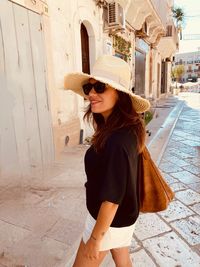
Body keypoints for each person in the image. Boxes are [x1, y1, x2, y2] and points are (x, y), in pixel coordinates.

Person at [64, 55, 150, 267]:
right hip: (122, 217)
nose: (92, 93)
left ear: (119, 94)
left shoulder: (117, 140)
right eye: (89, 88)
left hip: (108, 221)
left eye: (100, 87)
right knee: (122, 260)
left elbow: (111, 200)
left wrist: (95, 239)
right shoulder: (124, 130)